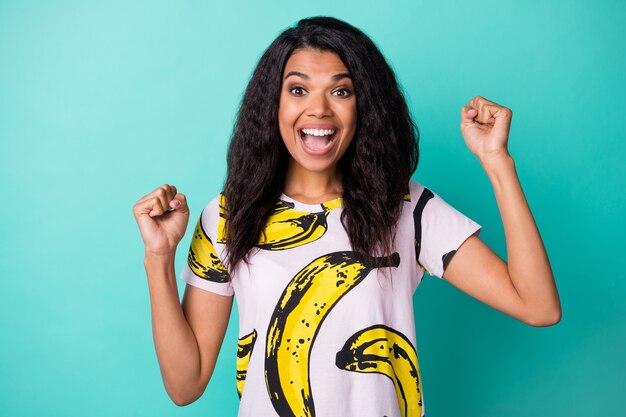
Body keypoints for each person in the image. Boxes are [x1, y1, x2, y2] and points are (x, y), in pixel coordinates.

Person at [132, 16, 561, 417]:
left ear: (365, 107)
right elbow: (185, 386)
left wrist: (497, 160)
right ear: (273, 104)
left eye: (341, 91)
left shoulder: (407, 209)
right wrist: (159, 258)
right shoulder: (229, 215)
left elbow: (538, 306)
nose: (319, 109)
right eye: (298, 90)